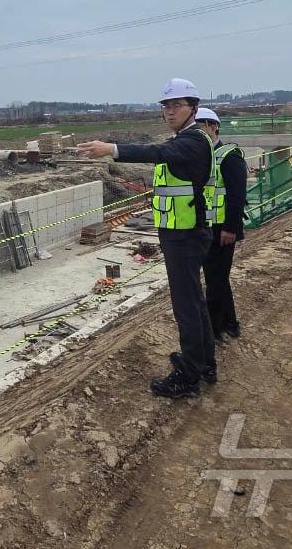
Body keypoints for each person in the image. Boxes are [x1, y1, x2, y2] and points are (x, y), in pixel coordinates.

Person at [77, 78, 215, 399]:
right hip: (182, 232)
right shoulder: (184, 139)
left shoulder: (193, 141)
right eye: (166, 106)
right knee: (194, 302)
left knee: (186, 307)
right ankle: (204, 362)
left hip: (185, 235)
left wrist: (111, 149)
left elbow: (157, 152)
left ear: (193, 108)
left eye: (177, 105)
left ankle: (189, 376)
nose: (170, 111)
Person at [196, 107, 247, 346]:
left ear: (213, 127)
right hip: (207, 226)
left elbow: (237, 195)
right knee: (218, 278)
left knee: (216, 280)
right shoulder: (202, 155)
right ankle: (230, 323)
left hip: (222, 229)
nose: (197, 133)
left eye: (200, 127)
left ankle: (214, 329)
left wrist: (231, 228)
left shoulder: (229, 156)